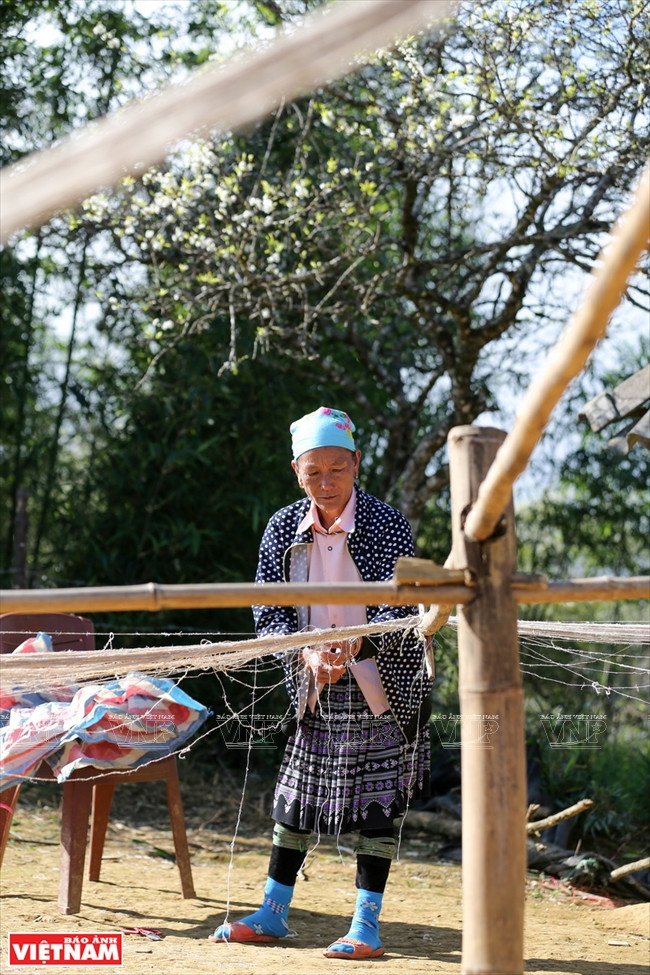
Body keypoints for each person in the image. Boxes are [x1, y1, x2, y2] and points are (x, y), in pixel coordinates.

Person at [210, 406, 432, 960]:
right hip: (311, 680)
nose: (327, 483)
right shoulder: (283, 527)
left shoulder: (386, 523)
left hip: (384, 681)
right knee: (294, 797)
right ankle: (273, 913)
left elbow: (402, 608)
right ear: (296, 471)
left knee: (379, 802)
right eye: (315, 472)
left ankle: (366, 925)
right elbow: (269, 611)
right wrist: (307, 651)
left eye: (338, 468)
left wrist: (357, 645)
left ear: (357, 464)